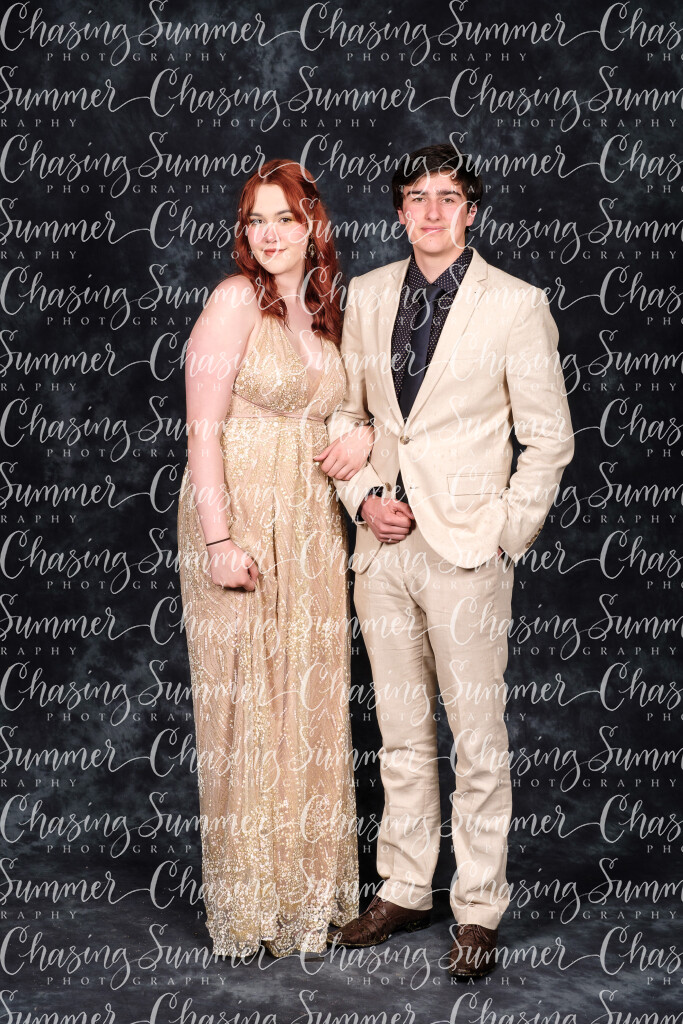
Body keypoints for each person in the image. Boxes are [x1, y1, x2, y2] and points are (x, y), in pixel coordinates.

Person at [326, 143, 574, 977]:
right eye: (416, 198)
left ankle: (476, 908)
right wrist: (363, 496)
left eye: (446, 197)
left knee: (476, 741)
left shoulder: (515, 304)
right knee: (399, 736)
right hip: (383, 546)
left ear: (470, 210)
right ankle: (403, 888)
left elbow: (548, 440)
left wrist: (505, 532)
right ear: (399, 212)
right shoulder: (366, 296)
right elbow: (343, 415)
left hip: (468, 549)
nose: (430, 212)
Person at [177, 159, 371, 958]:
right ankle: (252, 905)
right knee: (249, 710)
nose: (268, 234)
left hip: (314, 527)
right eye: (255, 220)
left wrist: (364, 434)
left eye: (284, 218)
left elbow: (353, 410)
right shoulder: (233, 301)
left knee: (308, 706)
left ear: (311, 226)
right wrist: (219, 540)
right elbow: (201, 431)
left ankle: (305, 899)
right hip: (242, 519)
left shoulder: (326, 311)